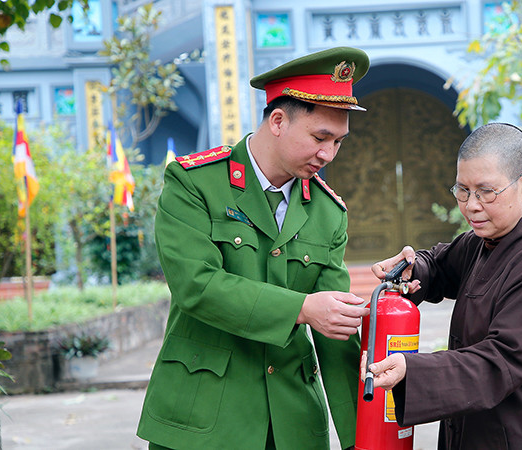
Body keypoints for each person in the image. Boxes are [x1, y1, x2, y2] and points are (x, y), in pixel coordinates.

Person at [137, 47, 372, 449]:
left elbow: (336, 333)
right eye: (320, 137)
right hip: (204, 419)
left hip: (293, 425)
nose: (328, 154)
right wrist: (301, 309)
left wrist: (361, 439)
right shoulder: (196, 184)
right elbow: (197, 286)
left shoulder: (328, 213)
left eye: (338, 142)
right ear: (278, 120)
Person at [364, 123, 522, 449]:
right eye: (463, 190)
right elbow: (439, 264)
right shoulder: (484, 242)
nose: (471, 205)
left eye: (486, 192)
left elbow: (501, 361)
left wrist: (412, 369)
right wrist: (413, 269)